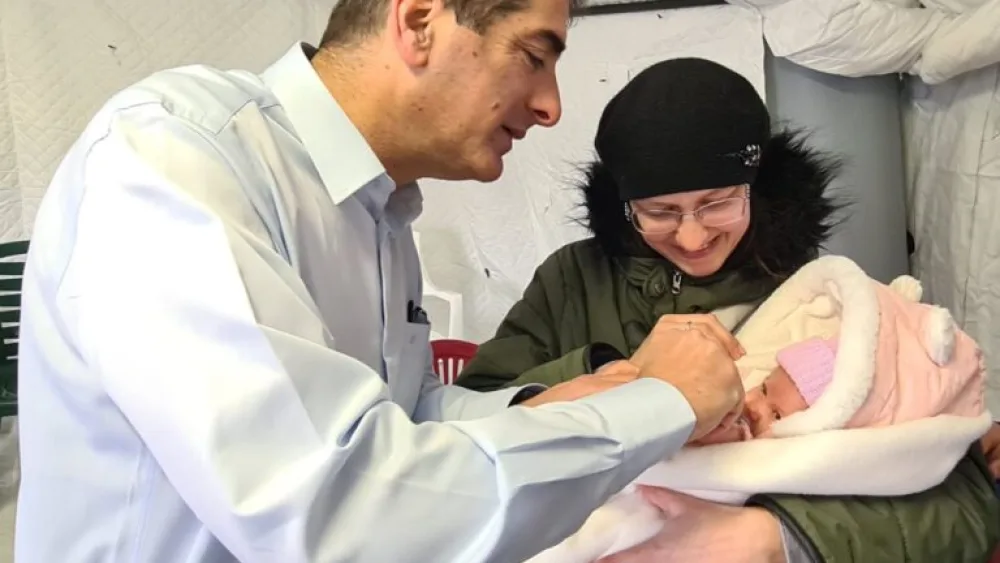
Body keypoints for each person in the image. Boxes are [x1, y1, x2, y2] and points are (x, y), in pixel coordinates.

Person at [13, 2, 751, 562]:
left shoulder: (381, 220)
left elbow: (407, 414)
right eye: (533, 55)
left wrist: (561, 400)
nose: (551, 106)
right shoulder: (175, 158)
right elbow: (334, 512)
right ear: (420, 22)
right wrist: (663, 402)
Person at [456, 57, 1000, 562]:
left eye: (717, 204)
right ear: (624, 208)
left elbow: (963, 501)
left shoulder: (816, 299)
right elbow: (468, 424)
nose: (692, 237)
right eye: (659, 212)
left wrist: (773, 536)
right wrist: (606, 375)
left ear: (755, 190)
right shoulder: (572, 281)